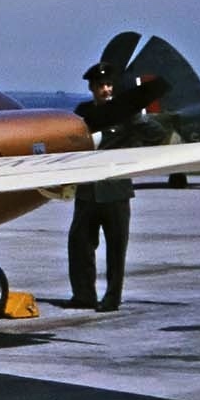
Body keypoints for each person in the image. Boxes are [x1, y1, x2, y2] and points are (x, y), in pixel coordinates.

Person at [67, 61, 167, 311]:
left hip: (116, 192)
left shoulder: (126, 114)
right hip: (88, 191)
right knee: (79, 244)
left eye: (109, 85)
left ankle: (112, 298)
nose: (106, 90)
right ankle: (84, 295)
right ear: (92, 88)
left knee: (116, 249)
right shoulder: (83, 113)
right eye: (101, 86)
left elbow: (157, 135)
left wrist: (137, 116)